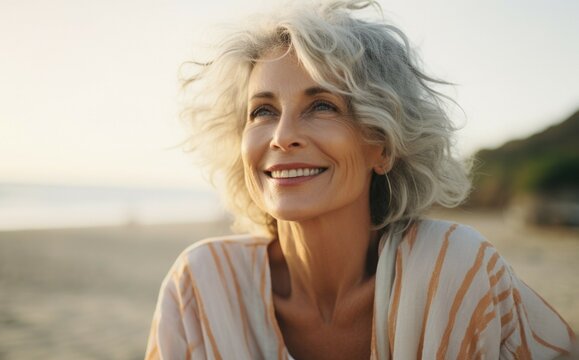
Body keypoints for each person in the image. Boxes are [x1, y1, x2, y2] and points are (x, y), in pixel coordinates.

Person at [145, 1, 575, 358]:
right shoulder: (200, 287)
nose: (282, 137)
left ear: (383, 146)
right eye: (263, 111)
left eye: (323, 106)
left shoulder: (454, 269)